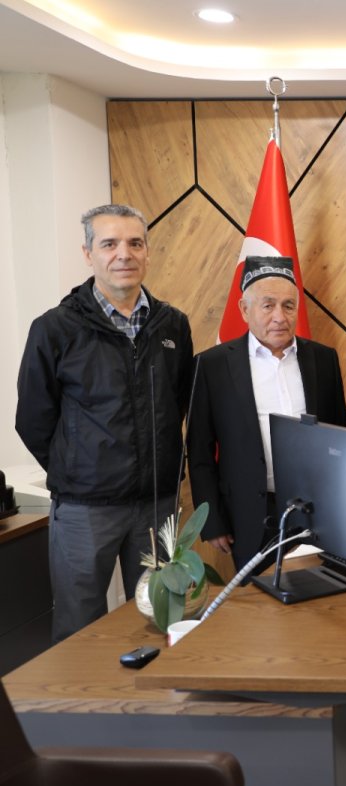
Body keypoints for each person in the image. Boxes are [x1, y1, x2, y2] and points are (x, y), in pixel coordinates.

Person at [16, 204, 194, 642]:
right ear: (88, 253)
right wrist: (77, 465)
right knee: (79, 631)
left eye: (135, 243)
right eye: (109, 244)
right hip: (84, 510)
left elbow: (178, 403)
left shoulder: (173, 325)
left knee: (160, 619)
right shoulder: (54, 329)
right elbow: (33, 419)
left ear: (147, 251)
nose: (123, 254)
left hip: (156, 506)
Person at [187, 257, 346, 570]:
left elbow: (339, 438)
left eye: (288, 306)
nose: (280, 317)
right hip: (249, 514)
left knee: (321, 592)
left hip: (318, 512)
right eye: (268, 305)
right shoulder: (212, 366)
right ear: (244, 310)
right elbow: (200, 452)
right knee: (257, 597)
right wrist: (212, 520)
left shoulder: (323, 359)